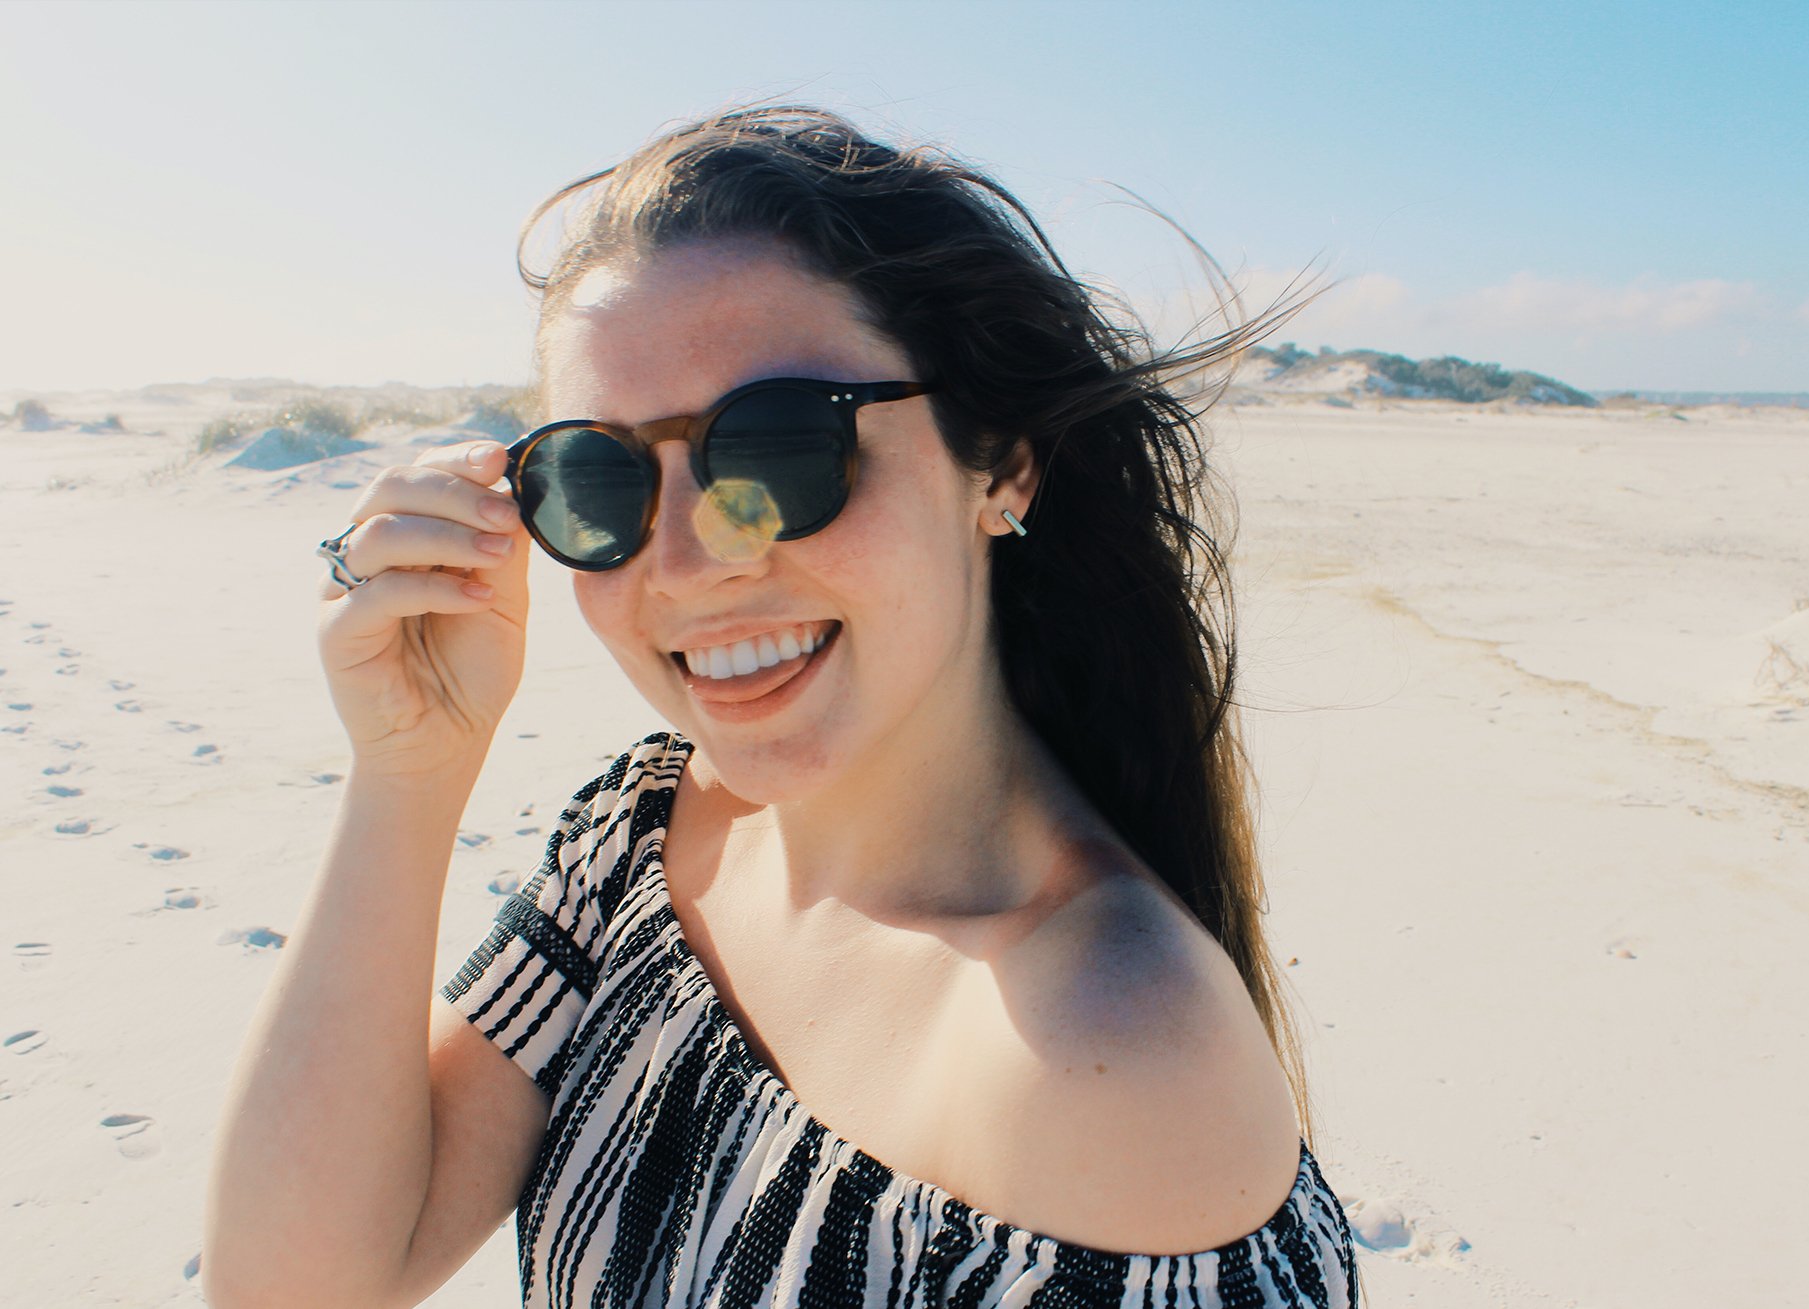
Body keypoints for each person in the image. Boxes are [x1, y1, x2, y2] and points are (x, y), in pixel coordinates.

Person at [205, 105, 1359, 1308]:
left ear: (1000, 463)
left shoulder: (1101, 1049)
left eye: (773, 454)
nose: (689, 564)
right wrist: (409, 769)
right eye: (596, 480)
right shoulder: (640, 842)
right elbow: (295, 1287)